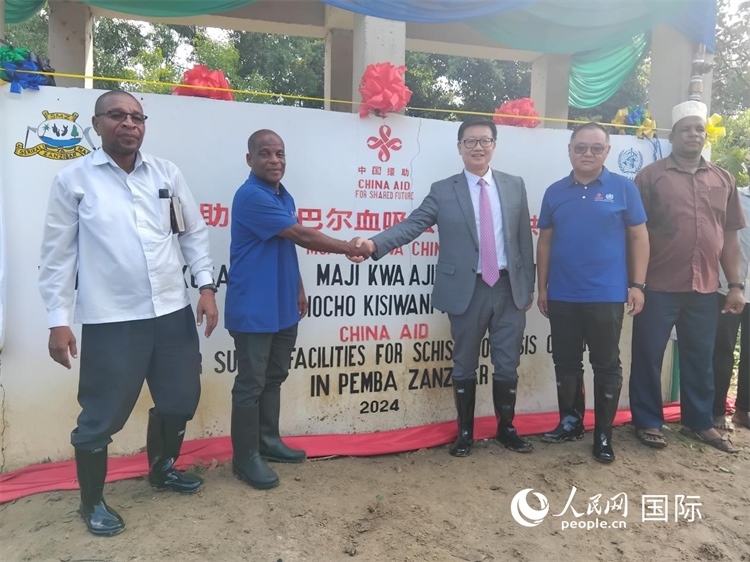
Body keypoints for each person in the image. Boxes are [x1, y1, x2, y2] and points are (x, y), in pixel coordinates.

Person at [38, 91, 219, 537]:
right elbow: (58, 256)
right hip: (112, 318)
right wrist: (58, 319)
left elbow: (192, 233)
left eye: (137, 117)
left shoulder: (166, 173)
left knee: (180, 399)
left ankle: (162, 469)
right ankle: (92, 502)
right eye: (117, 115)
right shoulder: (74, 180)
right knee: (102, 414)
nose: (129, 124)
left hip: (171, 311)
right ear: (97, 124)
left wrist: (206, 287)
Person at [353, 116, 535, 457]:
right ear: (459, 147)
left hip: (509, 289)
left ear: (494, 145)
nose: (478, 147)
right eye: (470, 141)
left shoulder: (514, 185)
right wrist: (375, 244)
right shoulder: (443, 190)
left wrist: (528, 287)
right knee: (464, 363)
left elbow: (524, 238)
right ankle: (465, 432)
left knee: (507, 363)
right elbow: (413, 225)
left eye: (484, 140)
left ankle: (506, 429)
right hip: (467, 290)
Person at [225, 129, 371, 490]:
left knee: (274, 375)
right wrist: (348, 247)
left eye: (280, 153)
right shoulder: (251, 196)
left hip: (283, 303)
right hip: (254, 306)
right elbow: (301, 236)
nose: (274, 160)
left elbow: (284, 245)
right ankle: (245, 458)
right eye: (265, 154)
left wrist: (299, 287)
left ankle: (268, 441)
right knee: (251, 382)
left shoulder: (281, 194)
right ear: (249, 159)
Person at [629, 100, 747, 454]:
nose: (693, 135)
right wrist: (636, 283)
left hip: (705, 287)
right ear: (672, 136)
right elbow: (635, 233)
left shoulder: (723, 179)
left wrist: (736, 285)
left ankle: (699, 422)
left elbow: (729, 238)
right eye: (685, 129)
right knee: (648, 356)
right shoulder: (650, 177)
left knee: (700, 356)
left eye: (699, 129)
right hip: (657, 285)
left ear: (705, 135)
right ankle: (648, 421)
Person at [536, 123, 649, 464]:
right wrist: (542, 287)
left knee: (606, 364)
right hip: (562, 294)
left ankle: (603, 433)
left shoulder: (624, 188)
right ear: (569, 150)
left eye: (596, 148)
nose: (587, 154)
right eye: (580, 147)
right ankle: (570, 423)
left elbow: (639, 237)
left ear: (607, 152)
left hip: (606, 294)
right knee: (566, 361)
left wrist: (638, 285)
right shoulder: (554, 191)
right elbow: (545, 242)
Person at [712, 186, 750, 430]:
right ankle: (716, 411)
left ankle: (743, 410)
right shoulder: (735, 197)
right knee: (722, 349)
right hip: (728, 287)